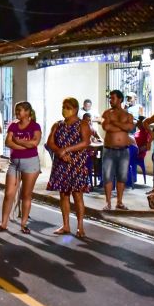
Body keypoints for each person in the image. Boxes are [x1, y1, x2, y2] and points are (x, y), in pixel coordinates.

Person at [46, 97, 93, 238]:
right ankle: (66, 225)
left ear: (75, 109)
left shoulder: (82, 124)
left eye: (67, 107)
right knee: (63, 194)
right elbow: (50, 142)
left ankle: (80, 227)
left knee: (77, 195)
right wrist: (60, 152)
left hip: (77, 163)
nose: (64, 110)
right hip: (61, 163)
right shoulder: (57, 125)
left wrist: (67, 150)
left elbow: (85, 142)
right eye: (63, 106)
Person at [0, 101, 42, 234]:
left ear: (27, 112)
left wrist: (19, 141)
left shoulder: (35, 126)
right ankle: (3, 223)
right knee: (9, 194)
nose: (17, 113)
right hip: (14, 163)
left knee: (26, 195)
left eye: (19, 110)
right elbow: (8, 142)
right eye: (16, 110)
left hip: (31, 163)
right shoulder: (13, 125)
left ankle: (24, 224)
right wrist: (23, 145)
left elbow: (34, 143)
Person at [100, 90, 136, 211]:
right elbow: (106, 127)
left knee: (122, 176)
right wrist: (122, 126)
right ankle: (108, 202)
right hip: (109, 150)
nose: (111, 100)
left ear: (120, 99)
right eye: (110, 98)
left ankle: (119, 202)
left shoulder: (128, 114)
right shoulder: (107, 113)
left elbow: (129, 128)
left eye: (113, 98)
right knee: (107, 176)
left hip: (124, 150)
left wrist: (115, 122)